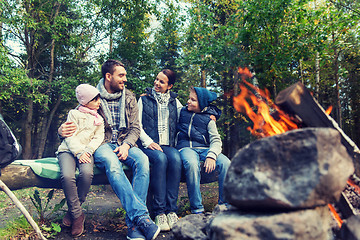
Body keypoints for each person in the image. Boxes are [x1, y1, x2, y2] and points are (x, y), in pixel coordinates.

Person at [58, 59, 160, 240]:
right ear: (108, 76)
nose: (125, 79)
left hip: (125, 142)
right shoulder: (93, 97)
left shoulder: (129, 97)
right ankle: (142, 218)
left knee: (143, 161)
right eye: (121, 75)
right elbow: (76, 124)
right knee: (113, 165)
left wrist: (127, 145)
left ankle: (134, 225)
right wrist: (61, 131)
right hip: (102, 145)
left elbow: (136, 128)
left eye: (125, 75)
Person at [57, 84, 104, 237]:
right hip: (68, 151)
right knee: (67, 176)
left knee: (86, 174)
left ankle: (73, 210)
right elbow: (69, 135)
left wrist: (88, 151)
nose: (99, 102)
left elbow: (99, 137)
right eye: (95, 99)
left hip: (87, 152)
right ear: (85, 101)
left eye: (99, 99)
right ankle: (78, 215)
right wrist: (78, 152)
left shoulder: (99, 119)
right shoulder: (73, 114)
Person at [137, 69, 182, 231]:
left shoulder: (175, 102)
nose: (156, 83)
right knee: (160, 159)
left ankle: (171, 211)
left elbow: (189, 114)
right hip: (148, 145)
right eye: (156, 79)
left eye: (162, 82)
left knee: (176, 159)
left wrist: (211, 114)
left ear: (170, 86)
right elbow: (137, 125)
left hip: (168, 145)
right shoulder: (144, 99)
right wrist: (148, 142)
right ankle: (159, 212)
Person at [176, 87, 231, 214]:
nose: (188, 101)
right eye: (189, 98)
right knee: (192, 164)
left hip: (205, 149)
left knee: (226, 163)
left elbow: (216, 140)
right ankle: (197, 208)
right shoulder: (182, 111)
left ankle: (224, 205)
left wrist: (211, 155)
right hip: (186, 147)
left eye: (193, 100)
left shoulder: (209, 119)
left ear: (201, 103)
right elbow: (169, 102)